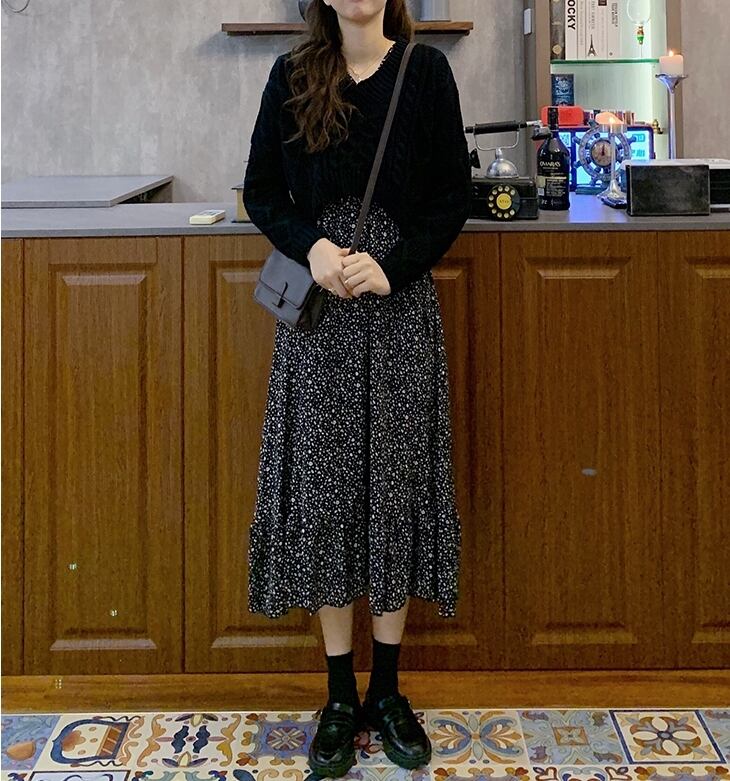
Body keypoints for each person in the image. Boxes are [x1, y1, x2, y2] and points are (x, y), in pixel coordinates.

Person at [242, 0, 471, 777]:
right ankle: (340, 694)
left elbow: (452, 196)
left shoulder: (426, 72)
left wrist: (394, 265)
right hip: (320, 320)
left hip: (399, 312)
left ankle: (388, 689)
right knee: (328, 493)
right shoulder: (292, 76)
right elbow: (262, 192)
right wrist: (311, 246)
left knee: (395, 491)